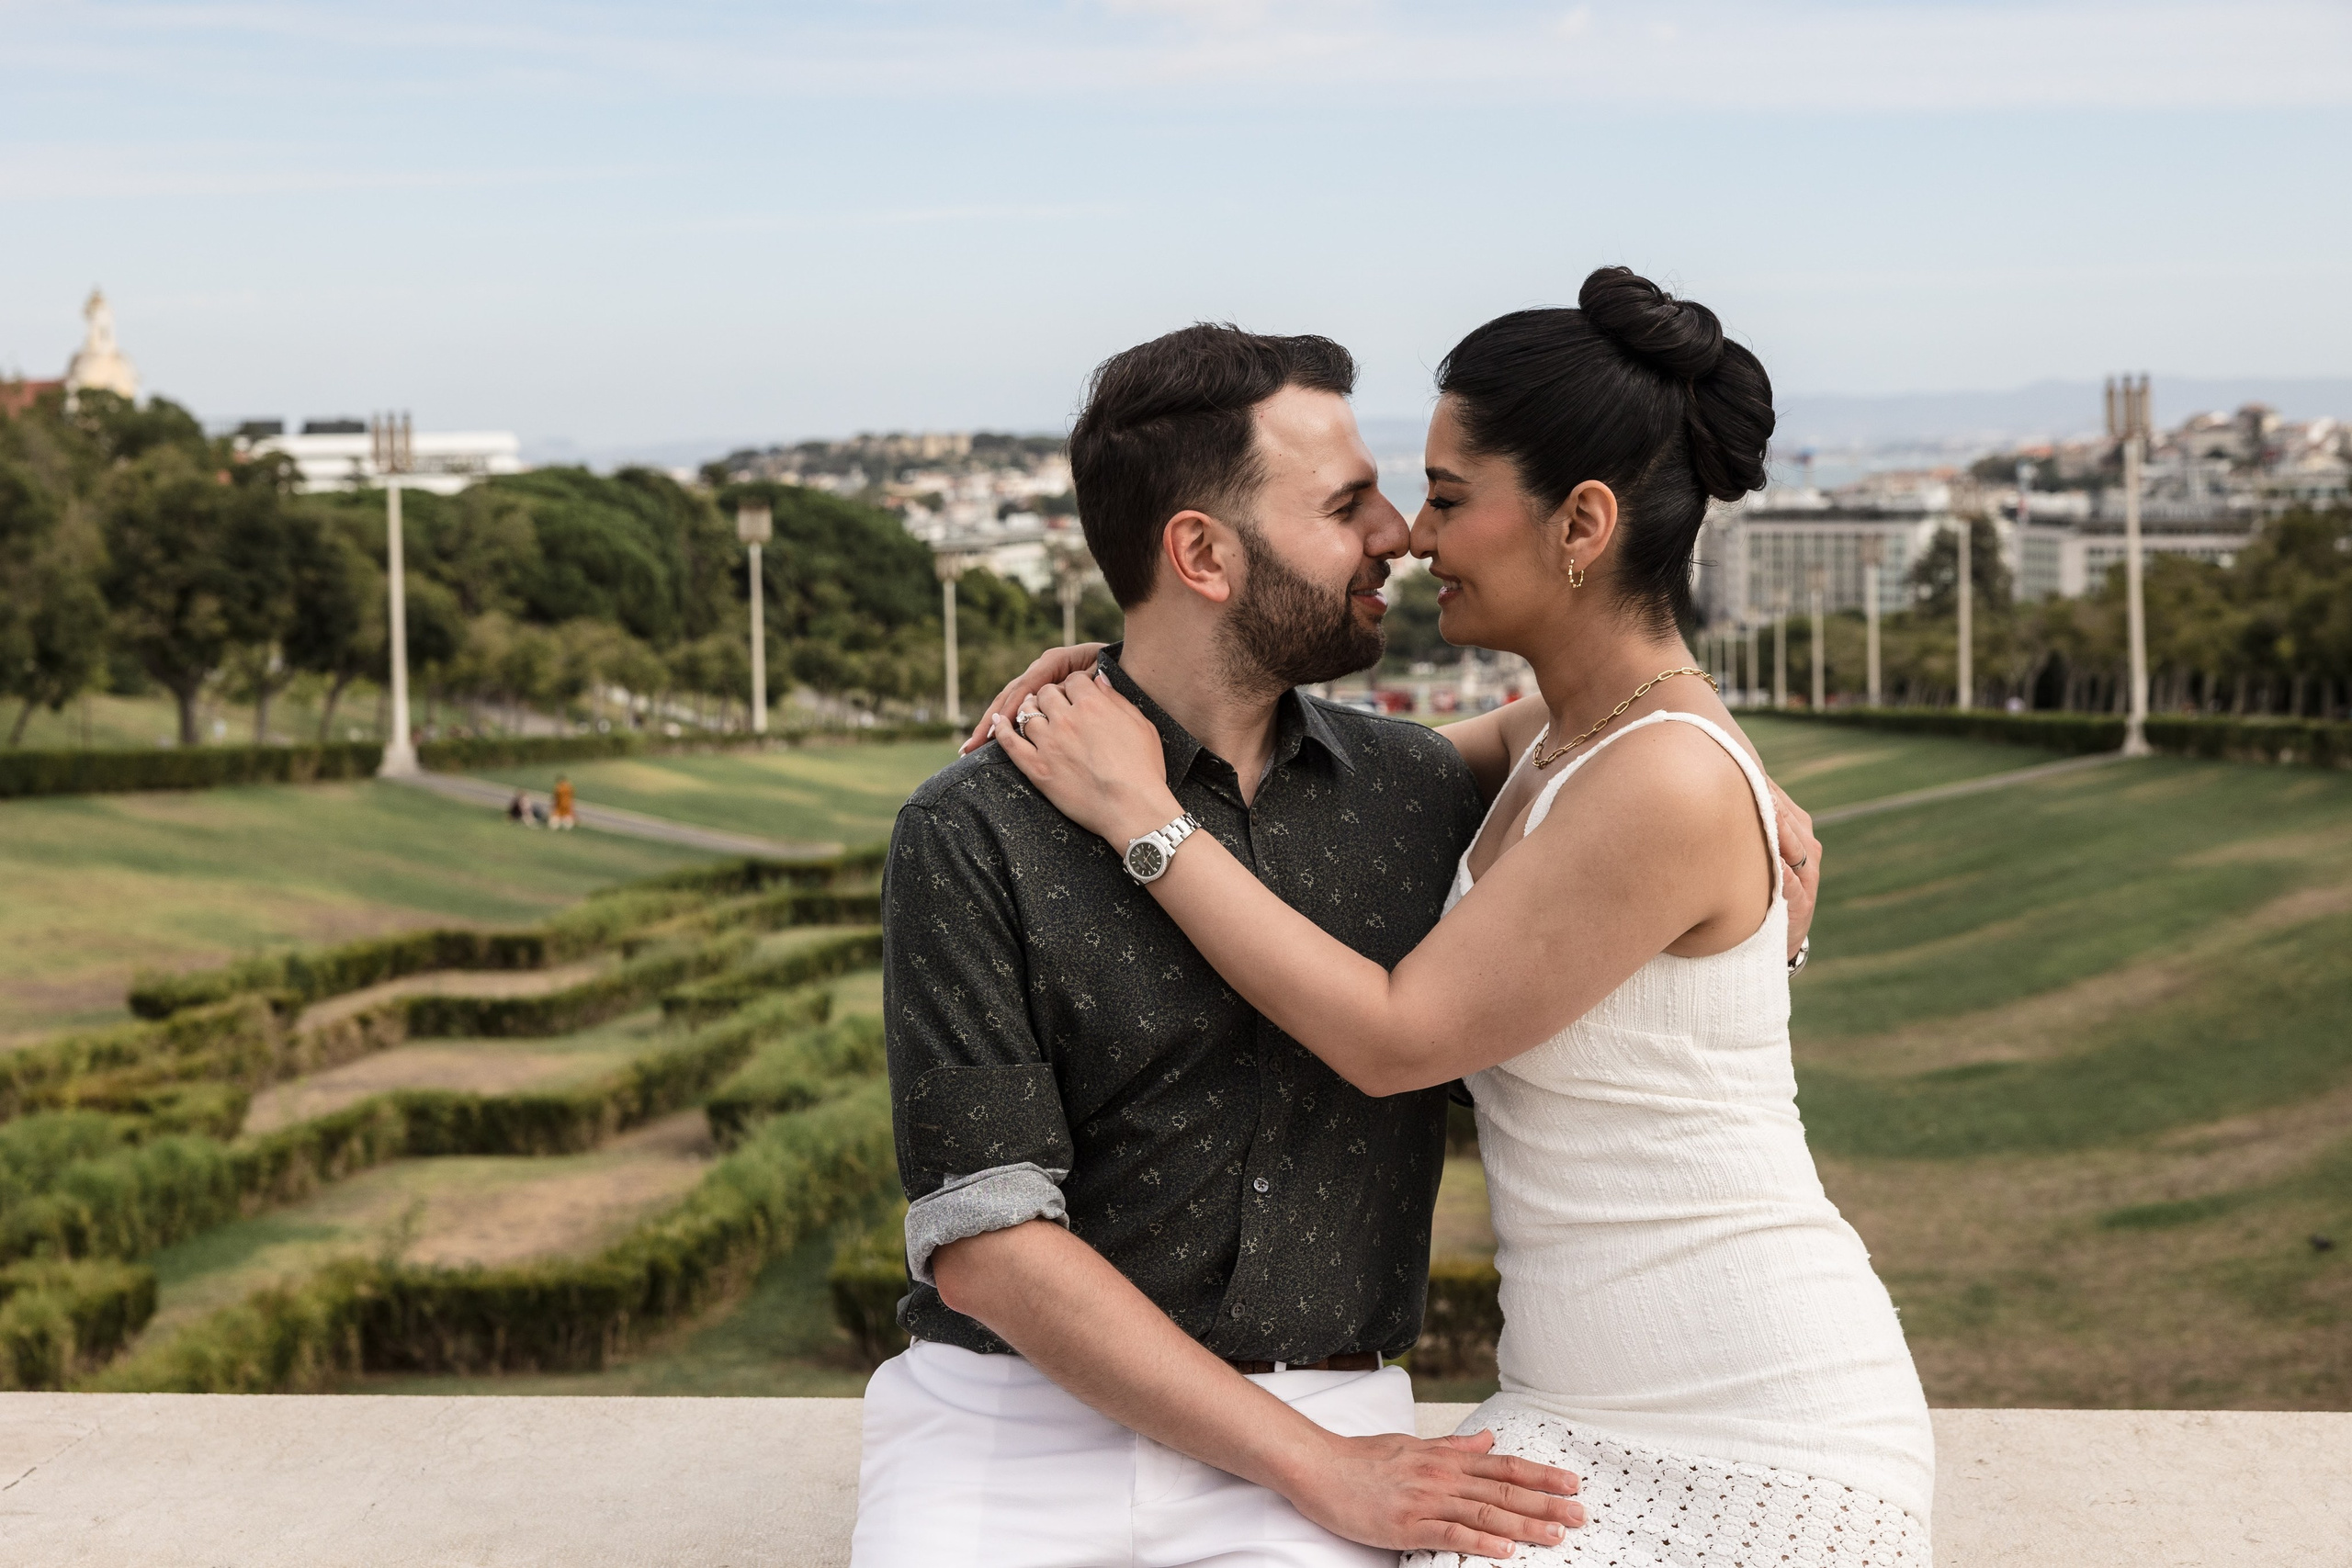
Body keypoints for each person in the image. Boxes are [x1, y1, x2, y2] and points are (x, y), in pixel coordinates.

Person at [989, 270, 1932, 1565]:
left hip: (1750, 1424)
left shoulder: (1656, 773)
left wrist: (1141, 816)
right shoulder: (1567, 734)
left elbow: (1392, 1038)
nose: (1414, 536)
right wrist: (1131, 688)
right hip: (1569, 1416)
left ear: (1581, 523)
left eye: (1444, 496)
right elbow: (1350, 775)